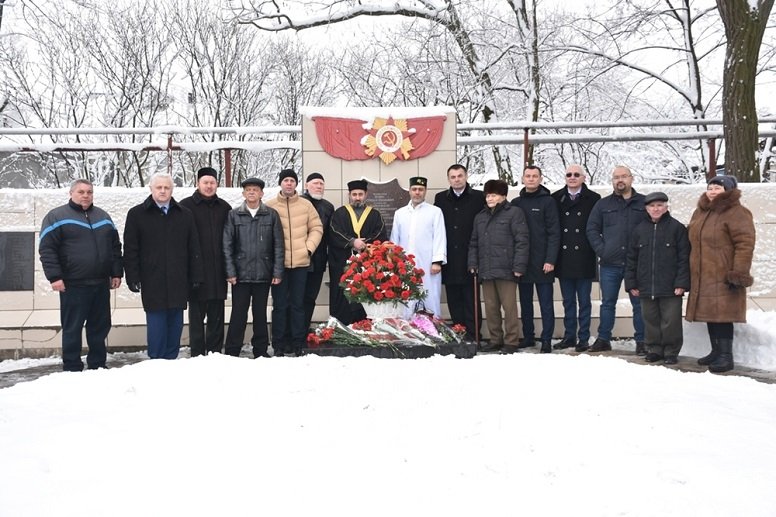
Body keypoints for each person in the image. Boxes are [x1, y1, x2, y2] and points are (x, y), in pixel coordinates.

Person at [38, 179, 123, 372]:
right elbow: (47, 249)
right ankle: (72, 366)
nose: (86, 195)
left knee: (99, 327)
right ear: (71, 193)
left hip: (101, 283)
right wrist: (55, 277)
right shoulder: (56, 216)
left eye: (89, 192)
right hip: (73, 284)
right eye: (81, 192)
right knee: (72, 327)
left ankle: (98, 364)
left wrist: (116, 272)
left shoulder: (103, 216)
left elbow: (115, 248)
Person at [124, 172, 203, 360]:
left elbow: (194, 247)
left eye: (166, 187)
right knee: (156, 323)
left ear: (172, 189)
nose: (162, 191)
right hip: (152, 279)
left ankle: (171, 359)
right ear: (151, 189)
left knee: (175, 322)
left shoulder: (184, 214)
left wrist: (196, 275)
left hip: (178, 278)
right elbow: (131, 249)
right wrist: (132, 277)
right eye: (158, 187)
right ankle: (157, 361)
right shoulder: (137, 214)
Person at [685, 175, 755, 373]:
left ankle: (726, 356)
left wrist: (738, 273)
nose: (713, 191)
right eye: (710, 187)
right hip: (704, 273)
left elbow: (745, 244)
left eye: (718, 187)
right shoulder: (700, 212)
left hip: (724, 274)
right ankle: (716, 351)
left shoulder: (737, 212)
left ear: (729, 190)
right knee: (711, 313)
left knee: (722, 314)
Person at [586, 165, 646, 354]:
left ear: (631, 178)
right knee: (608, 303)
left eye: (623, 176)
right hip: (610, 264)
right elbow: (592, 229)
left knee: (639, 304)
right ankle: (604, 338)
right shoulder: (603, 205)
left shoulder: (644, 203)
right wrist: (602, 250)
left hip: (635, 264)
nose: (620, 180)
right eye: (616, 177)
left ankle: (642, 341)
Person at [625, 192, 690, 365]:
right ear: (646, 208)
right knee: (650, 320)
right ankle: (654, 349)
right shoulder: (639, 230)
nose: (656, 209)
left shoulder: (677, 228)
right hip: (645, 286)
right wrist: (631, 283)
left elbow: (684, 258)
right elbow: (631, 259)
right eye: (652, 206)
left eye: (660, 205)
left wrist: (681, 283)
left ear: (666, 207)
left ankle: (671, 351)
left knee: (671, 321)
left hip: (670, 286)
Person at [222, 178, 284, 358]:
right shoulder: (234, 215)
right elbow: (227, 246)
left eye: (255, 190)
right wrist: (230, 272)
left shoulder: (271, 215)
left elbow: (278, 245)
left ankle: (261, 351)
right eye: (248, 190)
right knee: (238, 315)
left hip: (263, 273)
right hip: (240, 276)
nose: (251, 192)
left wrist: (277, 271)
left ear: (261, 193)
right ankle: (232, 351)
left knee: (260, 315)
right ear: (243, 193)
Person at [265, 168, 323, 356]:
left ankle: (298, 343)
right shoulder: (270, 205)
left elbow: (316, 228)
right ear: (280, 183)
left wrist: (308, 248)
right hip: (278, 266)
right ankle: (279, 344)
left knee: (298, 305)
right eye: (286, 180)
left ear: (296, 184)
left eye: (292, 180)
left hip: (301, 263)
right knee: (280, 305)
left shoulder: (306, 205)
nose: (289, 183)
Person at [468, 179, 529, 354]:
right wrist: (473, 263)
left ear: (503, 196)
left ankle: (511, 341)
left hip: (507, 269)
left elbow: (522, 241)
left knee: (509, 307)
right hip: (486, 269)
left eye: (493, 195)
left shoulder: (514, 213)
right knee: (491, 307)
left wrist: (519, 266)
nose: (489, 198)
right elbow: (474, 243)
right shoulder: (480, 217)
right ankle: (495, 339)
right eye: (487, 195)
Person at [179, 167, 232, 357]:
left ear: (217, 184)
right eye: (205, 182)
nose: (209, 186)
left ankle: (215, 353)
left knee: (217, 317)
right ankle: (197, 354)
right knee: (196, 318)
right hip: (196, 272)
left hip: (218, 272)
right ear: (198, 183)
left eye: (212, 183)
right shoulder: (185, 206)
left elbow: (230, 240)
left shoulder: (224, 207)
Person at [551, 164, 601, 352]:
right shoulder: (556, 198)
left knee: (585, 301)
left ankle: (584, 337)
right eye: (569, 174)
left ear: (584, 177)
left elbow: (596, 227)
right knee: (568, 301)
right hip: (564, 258)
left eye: (576, 174)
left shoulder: (594, 199)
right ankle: (569, 336)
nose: (572, 177)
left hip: (584, 257)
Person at [510, 165, 560, 353]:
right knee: (525, 303)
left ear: (540, 178)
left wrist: (550, 260)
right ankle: (528, 337)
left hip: (543, 263)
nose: (531, 179)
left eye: (534, 176)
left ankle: (546, 339)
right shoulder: (516, 203)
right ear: (522, 179)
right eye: (527, 176)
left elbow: (554, 233)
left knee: (546, 304)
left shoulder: (548, 202)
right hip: (522, 263)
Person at [434, 164, 486, 342]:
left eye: (460, 176)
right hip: (449, 258)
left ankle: (474, 335)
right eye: (453, 177)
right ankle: (459, 334)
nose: (456, 179)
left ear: (466, 176)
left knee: (471, 300)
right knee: (454, 299)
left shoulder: (479, 197)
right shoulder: (440, 198)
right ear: (448, 179)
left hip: (470, 256)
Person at [328, 179, 388, 324]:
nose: (357, 197)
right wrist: (352, 242)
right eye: (354, 194)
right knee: (343, 293)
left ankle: (365, 324)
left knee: (367, 289)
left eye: (360, 194)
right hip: (343, 263)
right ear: (349, 195)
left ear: (366, 194)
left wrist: (364, 244)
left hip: (367, 263)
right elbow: (334, 232)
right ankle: (342, 324)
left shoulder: (375, 215)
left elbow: (380, 233)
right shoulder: (339, 214)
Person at [390, 176, 447, 318]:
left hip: (428, 265)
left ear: (425, 191)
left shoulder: (435, 212)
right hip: (405, 266)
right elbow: (394, 239)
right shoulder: (400, 213)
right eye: (414, 189)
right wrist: (394, 263)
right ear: (409, 191)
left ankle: (432, 328)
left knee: (430, 296)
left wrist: (437, 261)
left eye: (421, 189)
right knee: (406, 298)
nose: (417, 192)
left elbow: (440, 237)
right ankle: (408, 329)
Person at [300, 172, 334, 331]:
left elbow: (329, 236)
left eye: (321, 183)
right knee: (295, 299)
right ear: (306, 185)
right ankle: (292, 334)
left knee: (310, 299)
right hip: (299, 260)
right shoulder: (299, 202)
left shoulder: (328, 207)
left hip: (319, 262)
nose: (319, 186)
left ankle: (304, 330)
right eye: (315, 183)